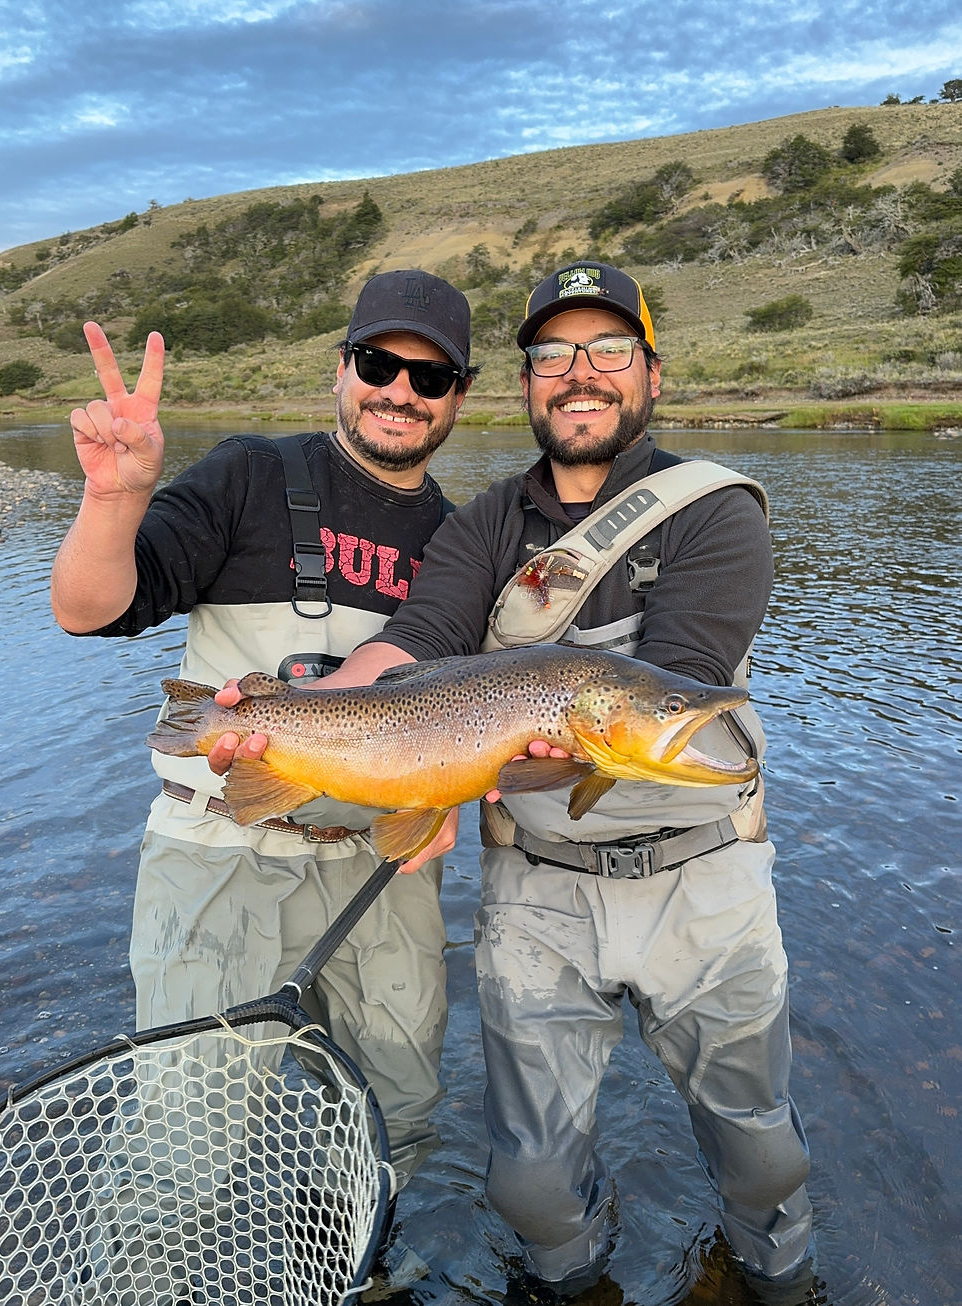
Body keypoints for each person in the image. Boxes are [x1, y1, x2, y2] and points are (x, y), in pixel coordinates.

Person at [252, 260, 817, 1300]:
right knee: (528, 1187)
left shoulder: (713, 512)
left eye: (607, 350)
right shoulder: (479, 528)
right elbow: (413, 648)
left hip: (699, 877)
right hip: (538, 886)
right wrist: (289, 719)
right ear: (524, 383)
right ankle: (571, 1281)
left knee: (763, 1156)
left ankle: (771, 1276)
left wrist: (516, 747)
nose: (579, 373)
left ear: (651, 373)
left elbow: (681, 678)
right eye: (552, 353)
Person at [49, 269, 479, 1212]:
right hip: (220, 847)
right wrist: (116, 500)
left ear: (459, 396)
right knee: (185, 1150)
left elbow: (471, 724)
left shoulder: (463, 543)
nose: (400, 391)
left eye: (430, 376)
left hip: (382, 871)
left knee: (395, 1122)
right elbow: (87, 609)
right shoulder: (248, 474)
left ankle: (361, 1272)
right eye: (379, 363)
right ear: (342, 368)